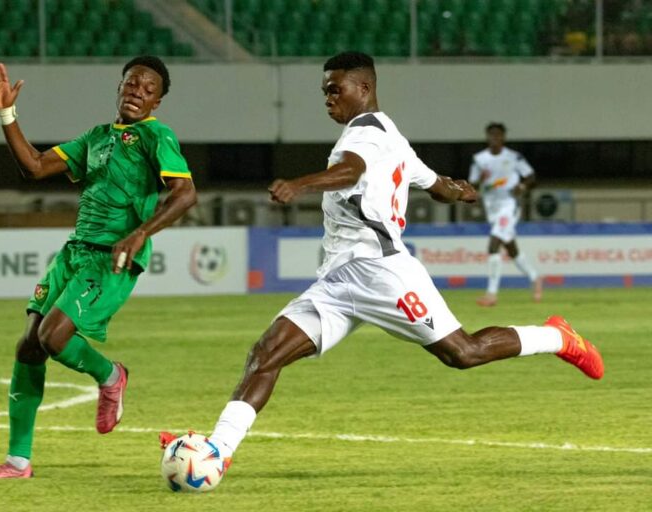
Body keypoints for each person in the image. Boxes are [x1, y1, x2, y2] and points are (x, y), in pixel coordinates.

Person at [161, 52, 604, 480]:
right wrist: (458, 191)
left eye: (335, 89)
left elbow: (350, 172)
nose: (328, 98)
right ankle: (218, 452)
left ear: (364, 87)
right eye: (324, 91)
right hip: (337, 281)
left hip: (382, 272)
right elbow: (436, 185)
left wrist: (300, 184)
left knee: (463, 353)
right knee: (265, 355)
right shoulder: (391, 137)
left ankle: (557, 337)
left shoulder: (364, 136)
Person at [0, 57, 196, 479]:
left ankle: (110, 375)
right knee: (28, 346)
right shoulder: (96, 137)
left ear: (157, 102)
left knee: (52, 337)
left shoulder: (157, 136)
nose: (137, 92)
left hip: (113, 258)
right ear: (119, 87)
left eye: (148, 89)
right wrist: (7, 114)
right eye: (131, 83)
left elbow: (185, 193)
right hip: (74, 253)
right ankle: (18, 461)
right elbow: (34, 166)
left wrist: (139, 234)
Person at [470, 122, 542, 307]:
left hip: (509, 205)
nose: (495, 138)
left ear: (503, 137)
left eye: (498, 135)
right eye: (491, 135)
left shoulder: (513, 157)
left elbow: (531, 176)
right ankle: (535, 278)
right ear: (487, 137)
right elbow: (472, 185)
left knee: (494, 244)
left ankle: (491, 294)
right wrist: (479, 181)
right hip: (492, 207)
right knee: (512, 250)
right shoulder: (479, 159)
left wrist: (523, 186)